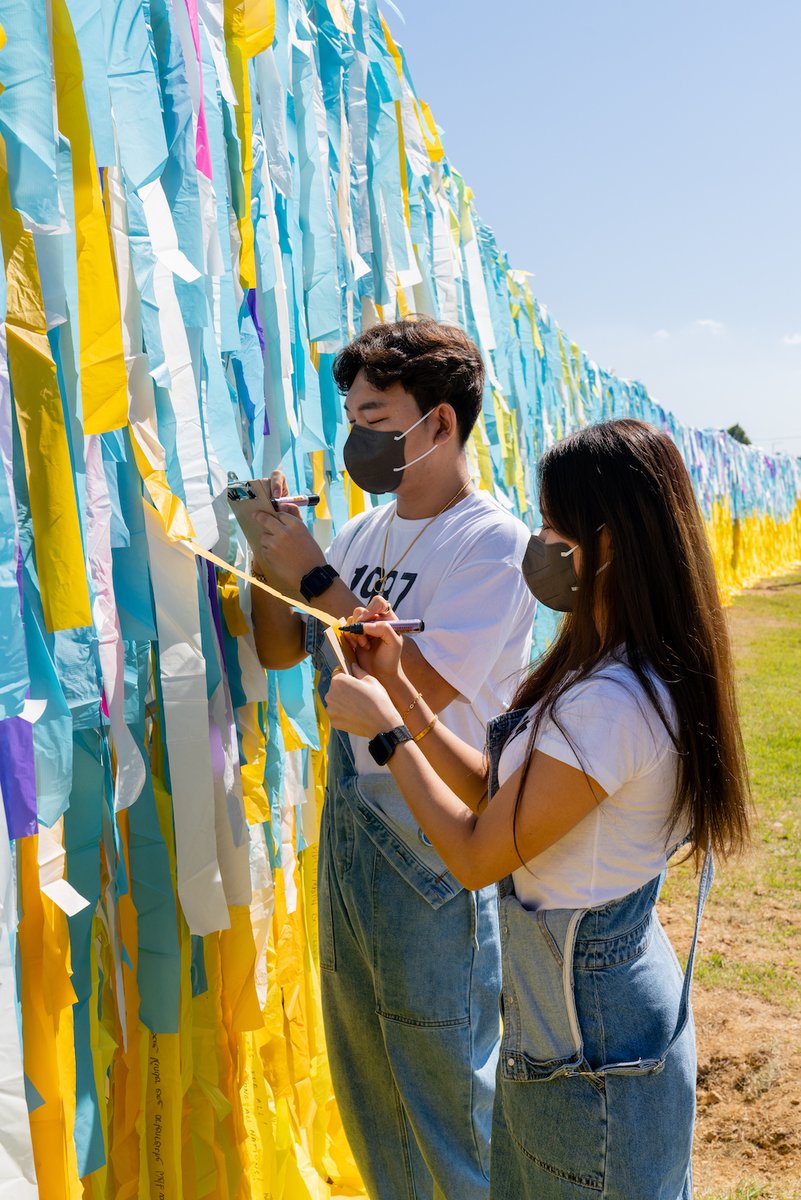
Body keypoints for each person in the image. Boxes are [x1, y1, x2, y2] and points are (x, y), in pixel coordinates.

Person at [325, 417, 751, 1200]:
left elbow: (479, 852)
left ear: (610, 542)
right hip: (572, 1028)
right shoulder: (608, 670)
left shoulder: (613, 702)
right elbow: (502, 791)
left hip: (589, 1043)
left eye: (555, 527)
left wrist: (384, 732)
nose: (540, 542)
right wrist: (400, 687)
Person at [250, 318, 536, 1199]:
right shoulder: (364, 532)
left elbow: (425, 688)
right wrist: (265, 554)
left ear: (439, 424)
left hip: (431, 835)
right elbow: (280, 649)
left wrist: (312, 576)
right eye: (350, 414)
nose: (355, 436)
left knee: (445, 1083)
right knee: (369, 1078)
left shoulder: (490, 542)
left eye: (375, 414)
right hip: (352, 824)